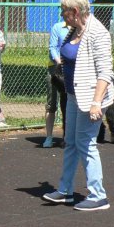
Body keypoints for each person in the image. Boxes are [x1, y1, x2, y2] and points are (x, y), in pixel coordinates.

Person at [42, 0, 114, 211]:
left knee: (86, 143)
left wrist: (96, 103)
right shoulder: (73, 30)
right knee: (71, 142)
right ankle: (65, 191)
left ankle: (98, 195)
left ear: (74, 11)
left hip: (90, 99)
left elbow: (105, 73)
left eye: (63, 10)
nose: (61, 14)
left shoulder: (98, 33)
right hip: (73, 95)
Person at [42, 18, 70, 148]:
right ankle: (49, 137)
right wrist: (59, 62)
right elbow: (53, 47)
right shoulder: (58, 27)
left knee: (69, 104)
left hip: (71, 69)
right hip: (56, 68)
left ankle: (68, 136)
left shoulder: (79, 28)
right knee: (51, 103)